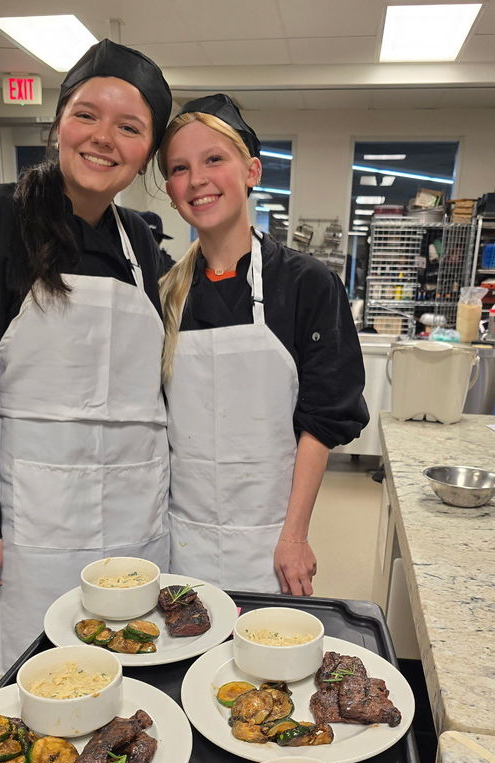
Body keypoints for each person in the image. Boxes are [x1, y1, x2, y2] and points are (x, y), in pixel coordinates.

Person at [0, 40, 173, 674]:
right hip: (28, 513)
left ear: (146, 156)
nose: (103, 138)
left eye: (130, 127)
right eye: (86, 114)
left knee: (127, 671)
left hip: (130, 509)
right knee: (34, 676)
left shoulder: (140, 241)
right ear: (58, 122)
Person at [158, 95, 368, 597]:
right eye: (179, 168)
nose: (197, 180)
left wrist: (295, 535)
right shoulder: (166, 293)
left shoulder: (306, 284)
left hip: (271, 540)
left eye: (214, 159)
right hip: (179, 537)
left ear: (251, 170)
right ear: (169, 190)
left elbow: (322, 418)